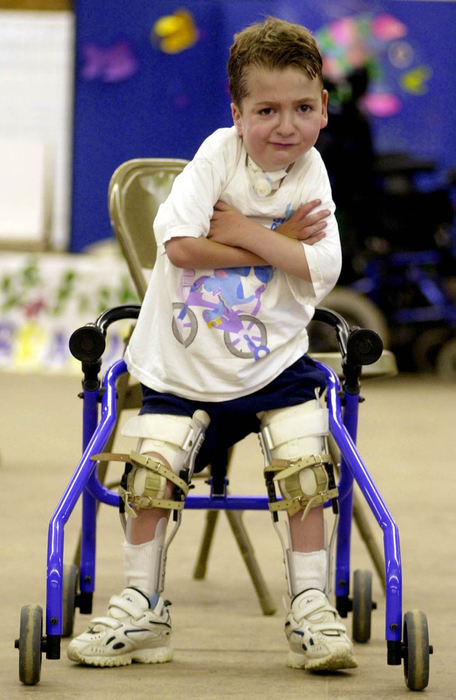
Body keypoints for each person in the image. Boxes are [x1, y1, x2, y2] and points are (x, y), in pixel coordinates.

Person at [68, 16, 357, 673]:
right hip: (181, 367)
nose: (285, 125)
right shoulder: (216, 156)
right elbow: (180, 248)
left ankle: (312, 608)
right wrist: (277, 240)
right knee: (148, 475)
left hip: (274, 365)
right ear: (237, 112)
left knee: (307, 467)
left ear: (324, 111)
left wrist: (248, 232)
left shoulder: (312, 173)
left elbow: (321, 271)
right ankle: (142, 608)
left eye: (302, 108)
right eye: (266, 110)